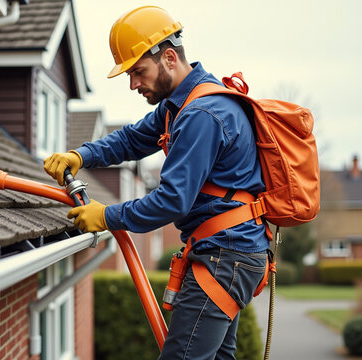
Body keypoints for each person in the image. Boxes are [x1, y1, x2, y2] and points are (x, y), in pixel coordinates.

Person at [44, 5, 269, 360]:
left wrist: (107, 216)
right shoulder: (179, 106)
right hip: (230, 253)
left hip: (225, 256)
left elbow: (171, 201)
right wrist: (82, 156)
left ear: (168, 57)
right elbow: (132, 140)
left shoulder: (201, 115)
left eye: (138, 71)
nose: (133, 83)